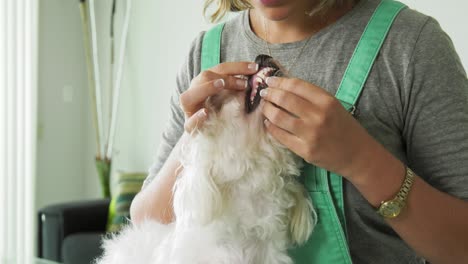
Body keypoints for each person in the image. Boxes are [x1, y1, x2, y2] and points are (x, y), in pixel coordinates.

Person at [130, 0, 468, 263]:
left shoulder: (408, 47)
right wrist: (196, 135)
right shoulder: (205, 52)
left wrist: (363, 162)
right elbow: (147, 221)